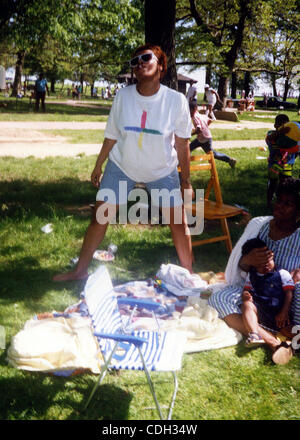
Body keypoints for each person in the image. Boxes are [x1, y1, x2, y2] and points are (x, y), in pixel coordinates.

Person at [53, 43, 194, 282]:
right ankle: (80, 271)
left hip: (161, 170)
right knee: (100, 217)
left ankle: (190, 276)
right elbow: (112, 134)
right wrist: (99, 165)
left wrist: (186, 180)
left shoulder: (176, 101)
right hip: (122, 167)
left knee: (178, 222)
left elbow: (182, 144)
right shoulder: (123, 96)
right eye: (135, 61)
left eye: (145, 58)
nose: (139, 63)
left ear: (161, 65)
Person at [208, 177, 300, 364]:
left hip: (286, 301)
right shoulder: (259, 226)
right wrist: (247, 261)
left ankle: (290, 333)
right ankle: (272, 342)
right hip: (256, 292)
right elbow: (238, 270)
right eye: (279, 200)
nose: (279, 206)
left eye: (288, 204)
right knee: (218, 298)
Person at [241, 237, 294, 363]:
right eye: (259, 264)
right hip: (261, 313)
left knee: (289, 330)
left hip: (279, 314)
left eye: (268, 261)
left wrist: (284, 312)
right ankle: (254, 334)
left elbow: (289, 294)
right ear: (252, 263)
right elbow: (246, 290)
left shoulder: (282, 273)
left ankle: (288, 345)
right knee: (246, 305)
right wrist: (246, 296)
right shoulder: (251, 275)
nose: (265, 265)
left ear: (271, 255)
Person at [189, 101, 237, 169]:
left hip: (204, 138)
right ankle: (230, 160)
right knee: (212, 154)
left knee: (189, 148)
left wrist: (190, 134)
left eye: (189, 110)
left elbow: (199, 129)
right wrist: (205, 128)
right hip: (205, 137)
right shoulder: (199, 115)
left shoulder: (194, 117)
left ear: (193, 109)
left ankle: (183, 164)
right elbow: (209, 121)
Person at [266, 114, 296, 208]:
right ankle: (268, 203)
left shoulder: (292, 137)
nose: (284, 128)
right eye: (280, 125)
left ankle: (282, 202)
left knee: (285, 184)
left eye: (286, 126)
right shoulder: (271, 134)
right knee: (273, 184)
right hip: (274, 165)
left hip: (287, 165)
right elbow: (269, 138)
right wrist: (280, 132)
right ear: (275, 126)